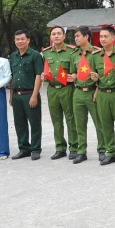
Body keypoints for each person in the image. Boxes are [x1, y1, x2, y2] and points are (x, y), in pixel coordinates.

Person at [92, 25, 115, 166]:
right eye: (101, 36)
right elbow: (93, 75)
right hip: (102, 94)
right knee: (105, 125)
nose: (102, 39)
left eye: (106, 36)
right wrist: (95, 78)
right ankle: (110, 152)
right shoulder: (95, 56)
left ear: (113, 38)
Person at [42, 26, 78, 160]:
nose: (56, 36)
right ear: (50, 37)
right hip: (52, 89)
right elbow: (43, 70)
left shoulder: (72, 51)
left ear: (64, 36)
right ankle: (60, 148)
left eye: (59, 34)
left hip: (67, 88)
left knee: (70, 119)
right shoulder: (46, 53)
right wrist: (43, 75)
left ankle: (74, 147)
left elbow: (77, 68)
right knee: (56, 120)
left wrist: (74, 75)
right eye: (53, 34)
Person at [69, 26, 104, 164]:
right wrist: (72, 76)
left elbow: (103, 75)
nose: (76, 39)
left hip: (93, 92)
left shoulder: (97, 53)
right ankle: (81, 151)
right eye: (75, 37)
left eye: (78, 36)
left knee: (99, 123)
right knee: (79, 124)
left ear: (86, 37)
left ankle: (102, 150)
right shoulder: (74, 55)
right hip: (78, 92)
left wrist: (97, 91)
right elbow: (73, 72)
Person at [10, 30, 44, 160]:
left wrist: (34, 95)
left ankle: (35, 149)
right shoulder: (13, 56)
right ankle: (24, 148)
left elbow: (38, 76)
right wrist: (11, 95)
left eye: (22, 39)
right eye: (17, 39)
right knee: (19, 123)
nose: (19, 41)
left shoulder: (35, 56)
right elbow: (13, 76)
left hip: (30, 94)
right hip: (17, 95)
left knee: (34, 123)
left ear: (28, 40)